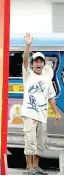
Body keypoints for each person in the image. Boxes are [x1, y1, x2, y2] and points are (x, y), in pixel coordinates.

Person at [21, 33, 60, 175]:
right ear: (33, 64)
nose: (38, 63)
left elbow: (51, 97)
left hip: (42, 116)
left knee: (40, 143)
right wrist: (28, 45)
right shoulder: (28, 75)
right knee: (30, 142)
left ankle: (36, 167)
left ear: (44, 64)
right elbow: (25, 60)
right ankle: (28, 168)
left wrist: (56, 112)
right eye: (36, 61)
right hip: (29, 115)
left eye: (41, 61)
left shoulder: (47, 79)